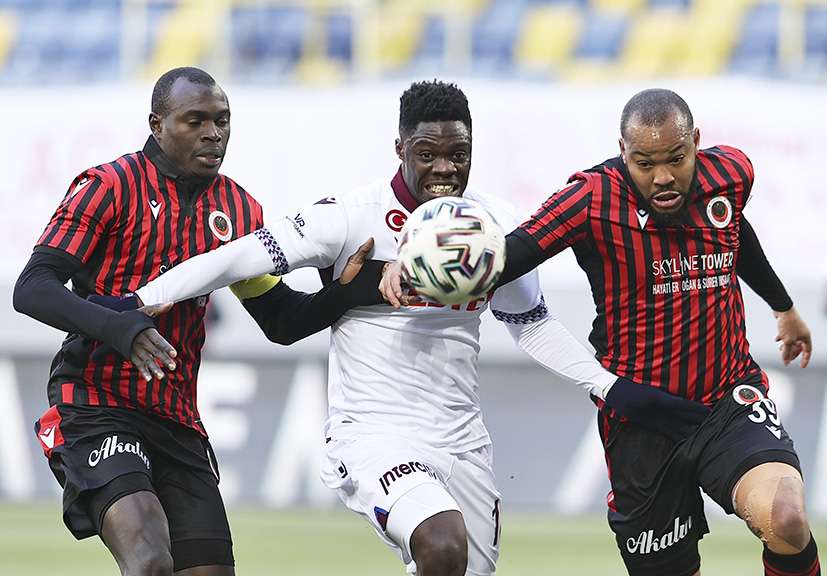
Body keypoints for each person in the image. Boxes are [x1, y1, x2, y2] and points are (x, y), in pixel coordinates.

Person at [131, 80, 711, 576]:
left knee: (456, 562)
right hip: (374, 435)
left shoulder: (493, 226)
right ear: (400, 148)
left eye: (458, 154)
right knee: (441, 543)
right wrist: (143, 300)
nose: (444, 168)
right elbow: (237, 257)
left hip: (463, 441)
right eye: (427, 153)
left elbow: (531, 324)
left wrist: (609, 386)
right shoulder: (349, 217)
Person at [383, 88, 816, 576]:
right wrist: (420, 265)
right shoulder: (591, 198)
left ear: (696, 142)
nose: (663, 177)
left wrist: (783, 307)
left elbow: (733, 229)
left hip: (727, 401)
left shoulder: (732, 173)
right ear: (623, 151)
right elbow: (514, 252)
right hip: (640, 420)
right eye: (645, 164)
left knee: (787, 518)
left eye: (676, 159)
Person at [13, 66, 383, 576]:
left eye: (222, 120)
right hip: (96, 403)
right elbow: (33, 287)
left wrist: (347, 291)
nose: (213, 133)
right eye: (196, 121)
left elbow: (280, 321)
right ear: (157, 124)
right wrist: (121, 326)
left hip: (177, 418)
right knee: (148, 560)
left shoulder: (239, 210)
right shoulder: (108, 187)